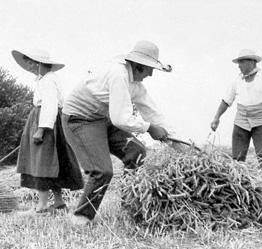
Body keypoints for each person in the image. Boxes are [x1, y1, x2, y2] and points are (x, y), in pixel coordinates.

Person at [62, 40, 172, 225]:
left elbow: (153, 113)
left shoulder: (135, 85)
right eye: (149, 69)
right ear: (138, 65)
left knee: (136, 152)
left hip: (100, 118)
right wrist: (150, 128)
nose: (151, 74)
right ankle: (81, 217)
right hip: (79, 118)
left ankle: (130, 203)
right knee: (102, 170)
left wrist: (174, 140)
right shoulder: (118, 74)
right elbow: (121, 119)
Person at [13, 49, 83, 214]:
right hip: (47, 121)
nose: (28, 66)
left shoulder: (48, 81)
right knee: (52, 162)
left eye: (30, 62)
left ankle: (42, 206)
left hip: (46, 122)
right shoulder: (45, 79)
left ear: (39, 63)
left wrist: (41, 129)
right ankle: (58, 203)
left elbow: (50, 105)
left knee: (42, 162)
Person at [210, 49, 262, 169]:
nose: (239, 66)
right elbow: (226, 101)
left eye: (241, 62)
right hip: (241, 122)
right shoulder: (237, 81)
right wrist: (216, 117)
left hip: (261, 121)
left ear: (252, 62)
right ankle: (238, 181)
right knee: (237, 158)